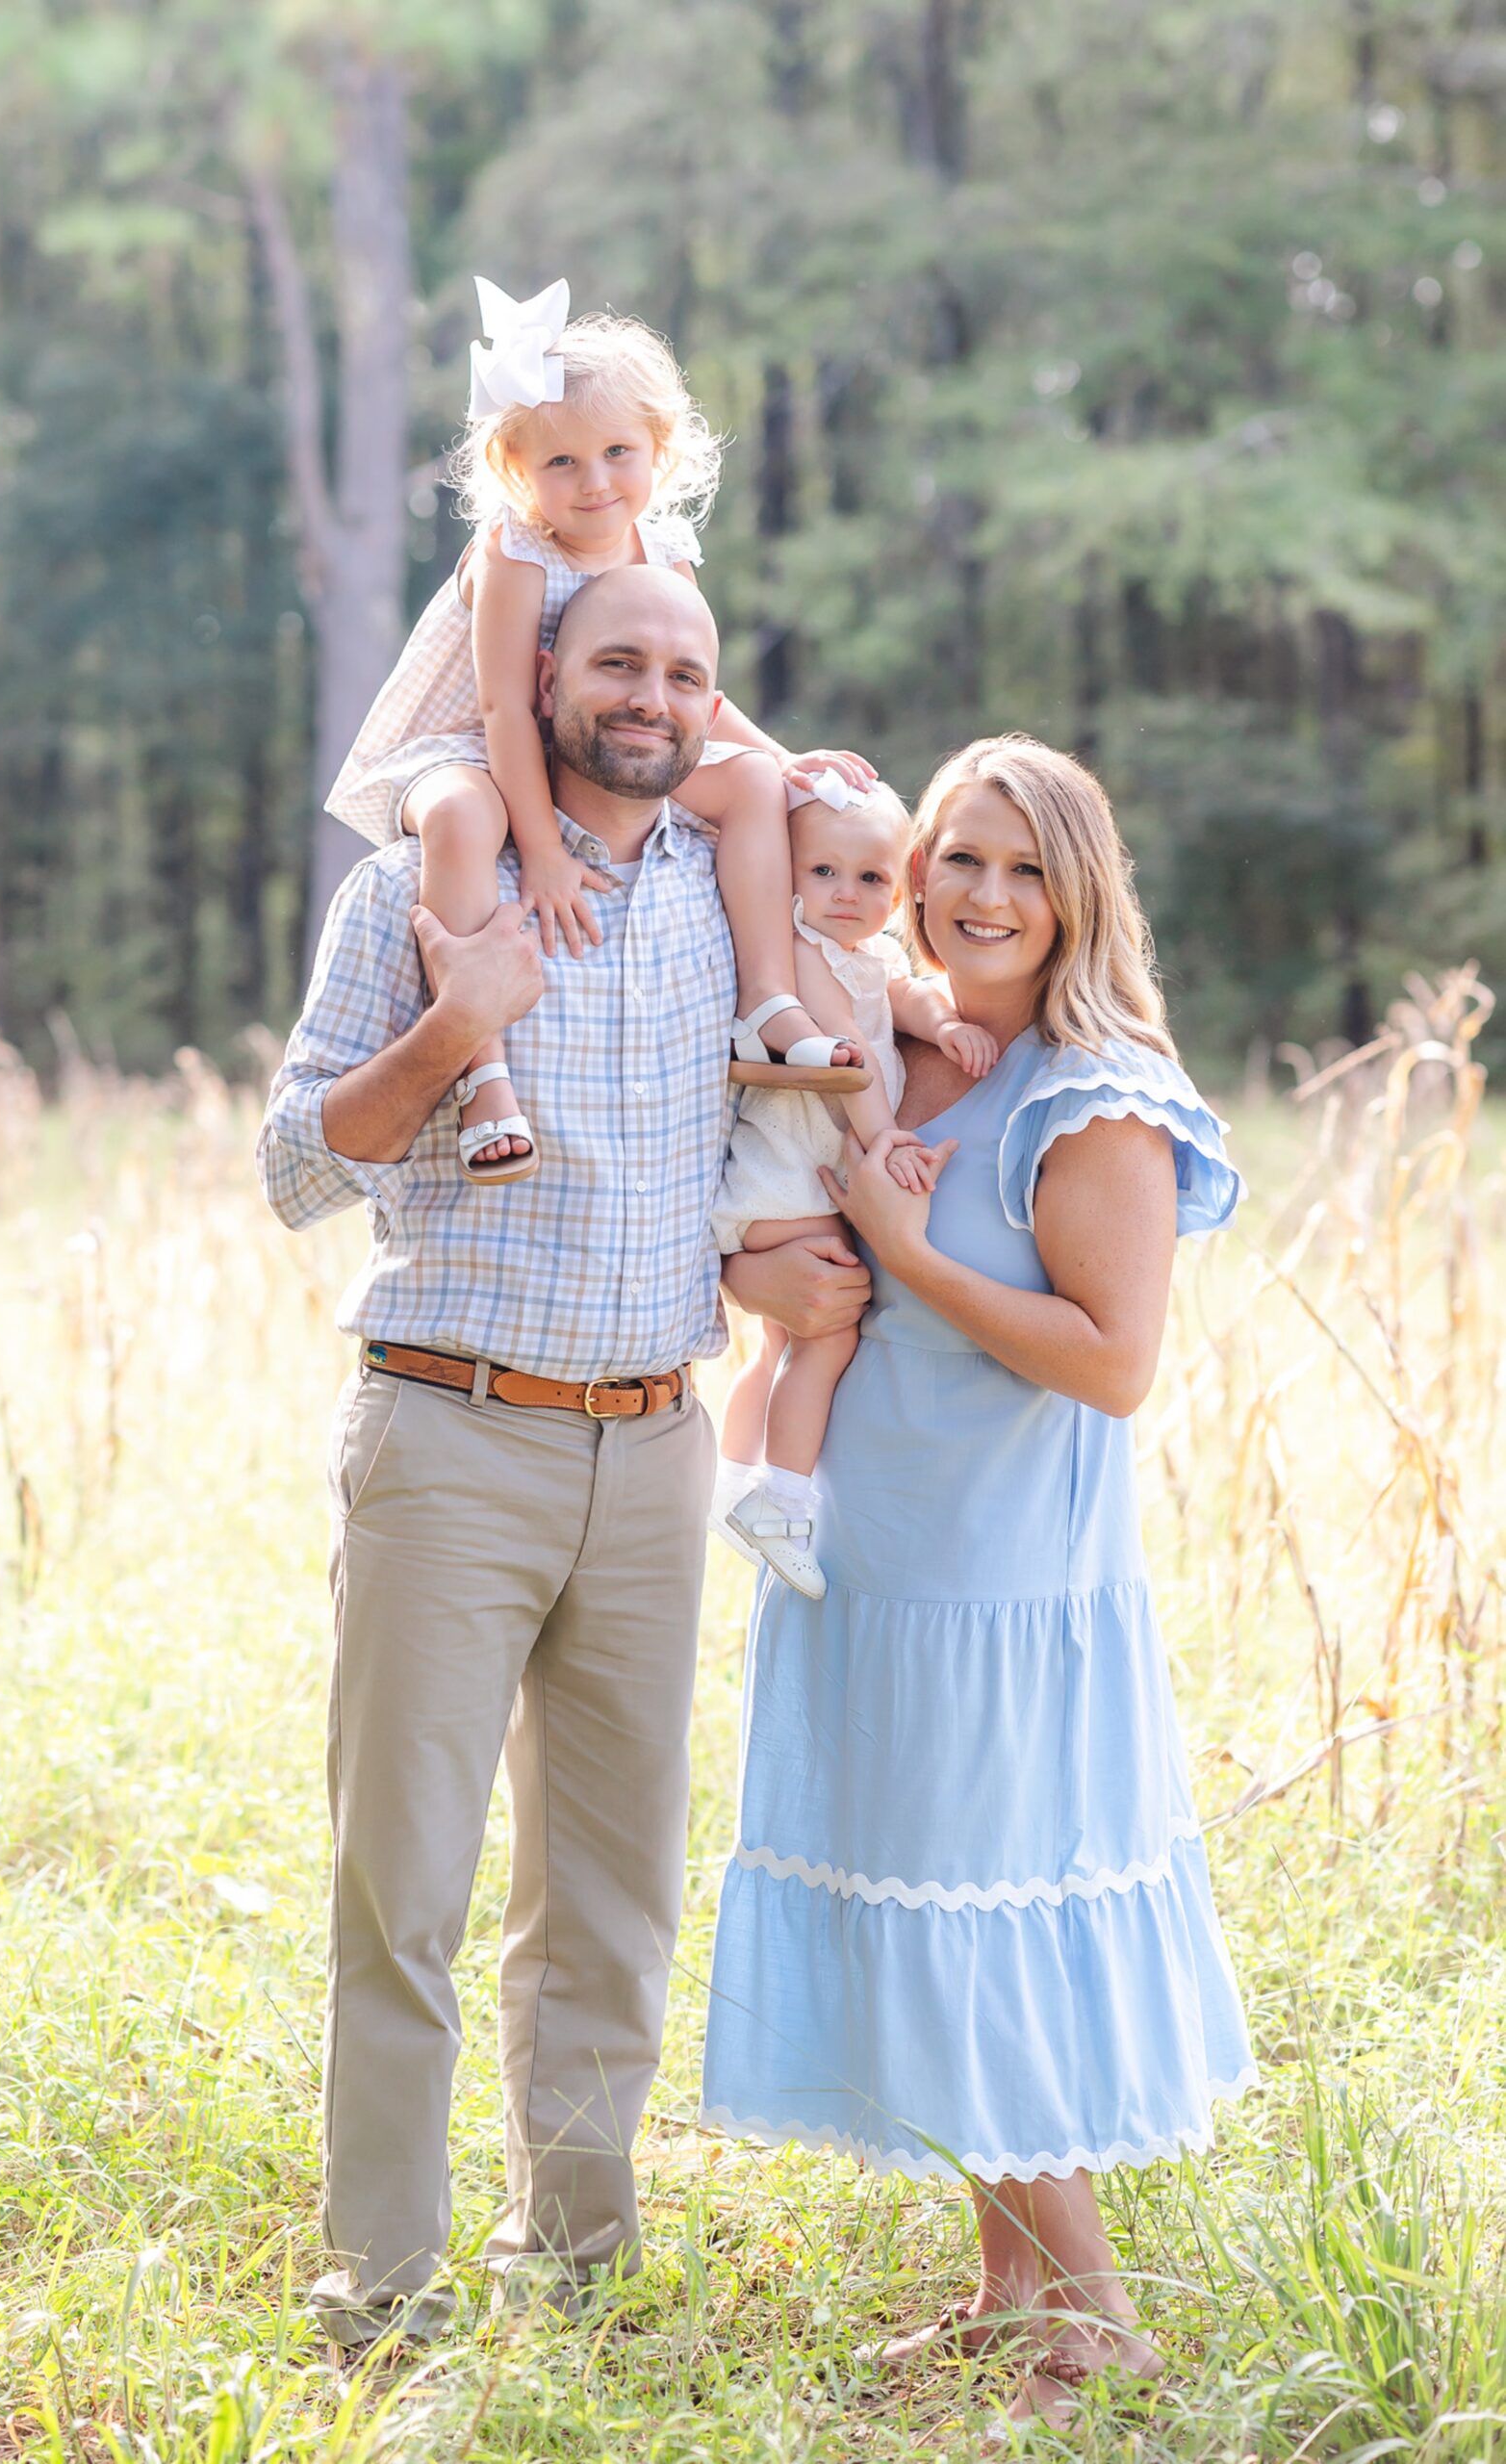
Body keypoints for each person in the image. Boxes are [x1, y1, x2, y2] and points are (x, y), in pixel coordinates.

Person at [257, 561, 869, 2354]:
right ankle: (380, 2286)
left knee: (608, 1892)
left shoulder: (727, 901)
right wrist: (459, 1025)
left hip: (653, 1447)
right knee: (409, 1887)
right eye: (619, 659)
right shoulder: (418, 885)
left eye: (687, 668)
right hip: (451, 1435)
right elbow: (296, 1166)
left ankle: (579, 2263)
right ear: (543, 675)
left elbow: (866, 1027)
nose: (655, 695)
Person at [700, 734, 1257, 2435]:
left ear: (1077, 893)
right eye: (960, 858)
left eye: (1024, 868)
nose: (985, 897)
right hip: (865, 1558)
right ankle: (1007, 2296)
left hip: (1003, 1591)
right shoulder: (890, 1047)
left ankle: (1098, 2317)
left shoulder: (1098, 1093)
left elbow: (1112, 1364)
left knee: (980, 1913)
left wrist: (917, 1251)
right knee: (926, 1905)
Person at [325, 275, 876, 1181]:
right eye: (562, 463)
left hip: (603, 745)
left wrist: (786, 763)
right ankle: (482, 1070)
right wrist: (540, 849)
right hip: (471, 744)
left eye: (619, 452)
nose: (594, 484)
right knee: (465, 822)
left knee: (751, 788)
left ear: (659, 451)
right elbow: (505, 705)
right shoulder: (517, 550)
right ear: (517, 472)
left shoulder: (666, 552)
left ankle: (768, 1006)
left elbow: (697, 696)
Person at [709, 778, 998, 1596]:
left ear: (900, 887)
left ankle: (734, 1477)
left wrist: (941, 1023)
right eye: (824, 872)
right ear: (789, 876)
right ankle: (784, 1501)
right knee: (827, 1337)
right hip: (791, 1179)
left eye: (871, 880)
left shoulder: (873, 954)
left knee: (778, 1344)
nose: (846, 895)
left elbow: (898, 1000)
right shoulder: (796, 948)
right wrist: (887, 1143)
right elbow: (848, 1054)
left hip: (788, 1186)